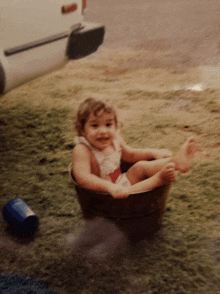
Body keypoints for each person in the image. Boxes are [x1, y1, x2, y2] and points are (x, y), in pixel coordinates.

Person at [72, 97, 198, 199]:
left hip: (121, 181)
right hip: (104, 195)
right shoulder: (83, 149)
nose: (103, 131)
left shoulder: (115, 139)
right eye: (95, 125)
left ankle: (177, 162)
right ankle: (160, 178)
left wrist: (154, 152)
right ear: (82, 129)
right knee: (128, 191)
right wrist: (109, 187)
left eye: (108, 124)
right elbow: (83, 178)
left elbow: (130, 154)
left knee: (140, 166)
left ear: (115, 125)